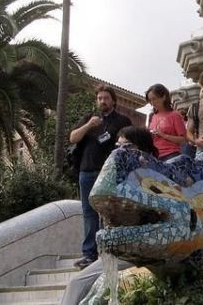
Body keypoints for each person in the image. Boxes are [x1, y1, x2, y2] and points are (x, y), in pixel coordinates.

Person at [61, 126, 155, 305]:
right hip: (122, 251)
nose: (120, 151)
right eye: (117, 146)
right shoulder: (117, 180)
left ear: (143, 148)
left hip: (151, 250)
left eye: (127, 146)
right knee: (76, 284)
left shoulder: (157, 178)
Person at [69, 85, 132, 270]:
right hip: (86, 171)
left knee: (108, 212)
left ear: (113, 100)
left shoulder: (122, 120)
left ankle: (109, 250)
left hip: (109, 172)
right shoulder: (89, 119)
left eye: (106, 98)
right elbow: (72, 138)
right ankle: (89, 253)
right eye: (99, 98)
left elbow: (130, 143)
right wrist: (88, 126)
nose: (102, 101)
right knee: (88, 212)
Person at [145, 84, 186, 161]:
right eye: (150, 100)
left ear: (164, 97)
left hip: (171, 155)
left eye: (154, 99)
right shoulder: (152, 116)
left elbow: (183, 140)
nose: (152, 102)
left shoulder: (175, 115)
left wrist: (164, 135)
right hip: (154, 155)